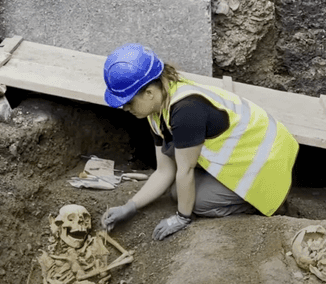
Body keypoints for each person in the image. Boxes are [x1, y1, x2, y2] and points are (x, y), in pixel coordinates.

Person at [100, 43, 299, 240]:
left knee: (195, 201)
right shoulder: (157, 110)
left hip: (267, 166)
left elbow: (185, 171)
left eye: (128, 102)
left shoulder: (185, 111)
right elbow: (165, 171)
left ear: (149, 93)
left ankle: (259, 203)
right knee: (180, 190)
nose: (125, 109)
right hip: (248, 155)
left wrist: (182, 218)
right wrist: (130, 207)